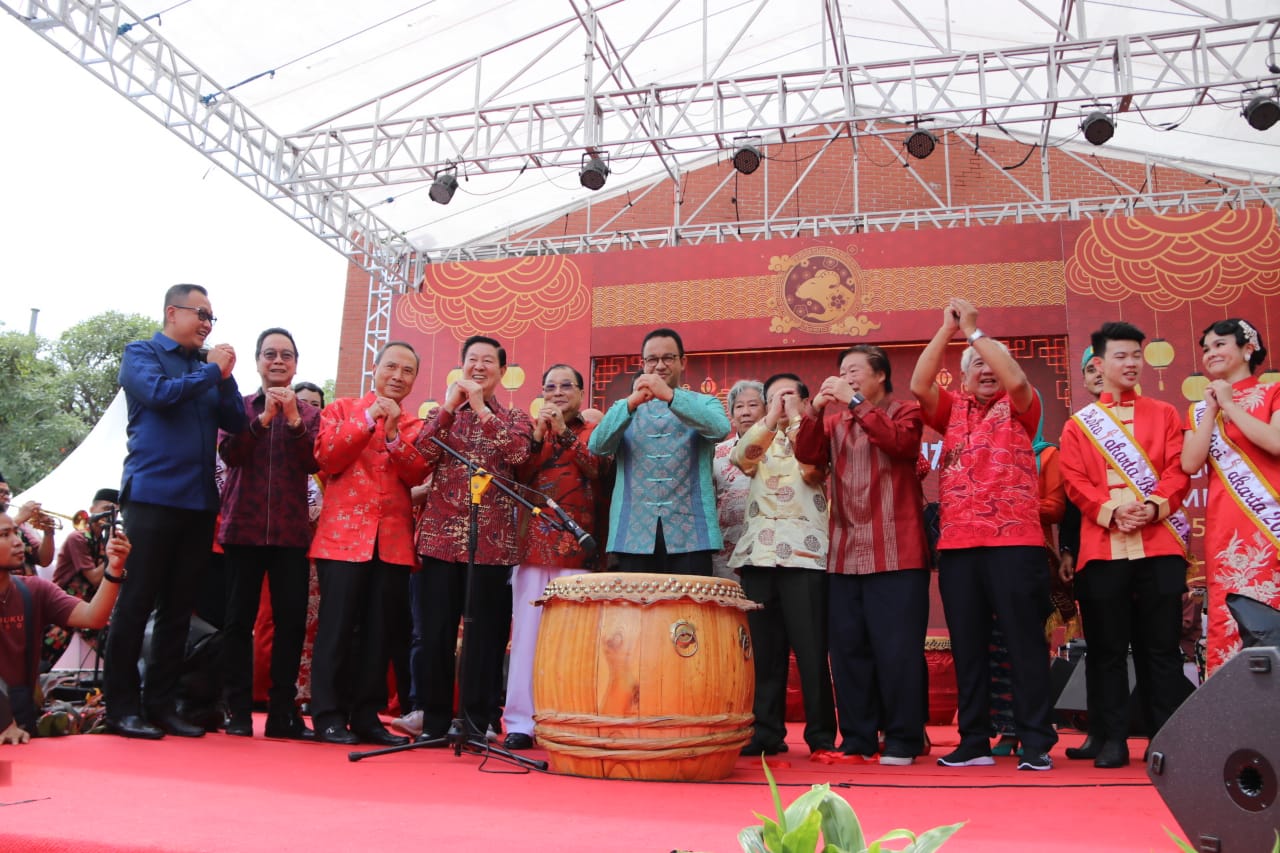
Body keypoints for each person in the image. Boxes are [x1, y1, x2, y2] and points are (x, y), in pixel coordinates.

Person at [910, 298, 1057, 771]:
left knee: (1023, 644)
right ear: (964, 375)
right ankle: (973, 739)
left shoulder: (1020, 409)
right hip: (957, 546)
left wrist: (976, 335)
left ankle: (1034, 740)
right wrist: (947, 331)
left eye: (990, 361)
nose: (985, 371)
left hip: (1015, 542)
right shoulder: (951, 411)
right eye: (975, 366)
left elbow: (1014, 378)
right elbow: (919, 384)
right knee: (968, 647)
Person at [104, 283, 246, 740]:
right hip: (150, 495)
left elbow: (238, 424)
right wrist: (209, 373)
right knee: (137, 601)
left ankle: (161, 704)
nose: (207, 324)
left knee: (178, 609)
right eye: (201, 314)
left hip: (199, 500)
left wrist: (223, 378)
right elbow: (160, 394)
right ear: (172, 312)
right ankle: (120, 707)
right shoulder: (141, 353)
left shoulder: (205, 368)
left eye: (211, 318)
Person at [1060, 321, 1191, 769]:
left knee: (1161, 649)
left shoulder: (1165, 414)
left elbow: (1178, 470)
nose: (1132, 363)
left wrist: (1153, 507)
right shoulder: (1080, 426)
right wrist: (1110, 511)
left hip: (1159, 546)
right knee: (1106, 649)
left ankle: (1168, 740)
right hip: (1102, 549)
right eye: (1122, 356)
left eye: (1137, 355)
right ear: (1098, 363)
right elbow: (1074, 482)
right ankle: (1111, 737)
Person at [797, 346, 930, 766]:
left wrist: (854, 403)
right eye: (841, 372)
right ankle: (857, 738)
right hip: (845, 554)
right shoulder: (833, 423)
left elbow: (901, 445)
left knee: (897, 651)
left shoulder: (906, 411)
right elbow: (807, 454)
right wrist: (815, 412)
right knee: (848, 652)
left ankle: (904, 738)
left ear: (881, 376)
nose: (846, 377)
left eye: (855, 371)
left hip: (898, 553)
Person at [412, 335, 534, 742]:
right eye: (472, 360)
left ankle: (477, 722)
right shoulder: (442, 415)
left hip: (493, 546)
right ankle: (433, 721)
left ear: (502, 372)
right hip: (439, 541)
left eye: (488, 362)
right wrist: (450, 408)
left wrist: (481, 408)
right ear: (461, 367)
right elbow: (418, 457)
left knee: (486, 637)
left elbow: (519, 457)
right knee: (436, 633)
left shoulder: (516, 419)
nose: (479, 367)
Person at [309, 341, 429, 746]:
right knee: (337, 630)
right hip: (342, 539)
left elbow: (417, 474)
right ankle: (326, 715)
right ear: (374, 370)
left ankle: (366, 717)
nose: (398, 376)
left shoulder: (413, 425)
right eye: (391, 367)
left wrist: (393, 433)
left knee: (381, 634)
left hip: (392, 542)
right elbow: (327, 458)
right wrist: (368, 419)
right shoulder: (341, 410)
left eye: (407, 371)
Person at [217, 328, 320, 740]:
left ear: (296, 364)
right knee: (237, 623)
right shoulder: (237, 407)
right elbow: (230, 453)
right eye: (270, 354)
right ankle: (237, 711)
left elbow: (314, 462)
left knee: (291, 623)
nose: (278, 361)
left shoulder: (312, 415)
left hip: (291, 534)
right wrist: (263, 421)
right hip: (242, 527)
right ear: (258, 361)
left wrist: (293, 419)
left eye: (286, 356)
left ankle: (282, 713)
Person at [731, 373, 837, 761]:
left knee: (810, 651)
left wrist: (796, 419)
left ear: (806, 401)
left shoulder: (817, 432)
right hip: (759, 555)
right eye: (773, 397)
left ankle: (822, 735)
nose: (781, 403)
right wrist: (771, 419)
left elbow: (813, 468)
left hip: (805, 557)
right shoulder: (761, 439)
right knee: (764, 651)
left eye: (789, 396)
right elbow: (740, 459)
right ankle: (766, 732)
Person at [500, 364, 603, 750]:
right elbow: (517, 475)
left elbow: (597, 469)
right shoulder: (529, 430)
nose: (557, 392)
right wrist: (539, 438)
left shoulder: (594, 430)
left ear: (580, 392)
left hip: (576, 548)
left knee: (572, 638)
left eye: (565, 386)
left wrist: (563, 433)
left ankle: (568, 715)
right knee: (526, 637)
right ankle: (520, 723)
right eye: (550, 386)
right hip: (531, 547)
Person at [1181, 318, 1280, 676]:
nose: (1211, 353)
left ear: (1247, 348)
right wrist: (1211, 409)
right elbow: (1190, 463)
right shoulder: (1200, 409)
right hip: (1227, 532)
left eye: (1220, 344)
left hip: (1272, 526)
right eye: (1206, 348)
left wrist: (1230, 404)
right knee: (1229, 616)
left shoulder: (1273, 393)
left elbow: (1276, 443)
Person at [589, 328, 730, 575]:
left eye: (668, 358)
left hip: (691, 532)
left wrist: (670, 396)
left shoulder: (704, 402)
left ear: (682, 362)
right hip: (634, 533)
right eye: (652, 360)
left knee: (689, 611)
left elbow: (720, 429)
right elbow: (597, 446)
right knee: (639, 611)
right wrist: (631, 403)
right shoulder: (624, 406)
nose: (660, 365)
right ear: (643, 364)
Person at [1, 511, 131, 744]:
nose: (18, 542)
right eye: (4, 535)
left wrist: (114, 570)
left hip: (19, 724)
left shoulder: (34, 590)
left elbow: (93, 618)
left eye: (16, 533)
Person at [43, 488, 120, 669]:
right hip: (63, 605)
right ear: (92, 509)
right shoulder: (77, 538)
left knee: (117, 638)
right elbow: (94, 578)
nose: (110, 515)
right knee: (42, 659)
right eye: (106, 509)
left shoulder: (103, 541)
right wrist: (113, 556)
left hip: (87, 608)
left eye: (115, 512)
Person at [712, 380, 765, 579]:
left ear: (768, 409)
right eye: (739, 407)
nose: (745, 412)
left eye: (753, 405)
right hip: (727, 552)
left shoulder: (781, 447)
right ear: (732, 415)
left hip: (768, 550)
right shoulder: (717, 453)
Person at [0, 473, 55, 575]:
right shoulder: (18, 521)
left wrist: (49, 533)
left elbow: (44, 560)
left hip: (28, 589)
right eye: (0, 492)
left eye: (7, 493)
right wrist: (20, 518)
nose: (5, 497)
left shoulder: (20, 526)